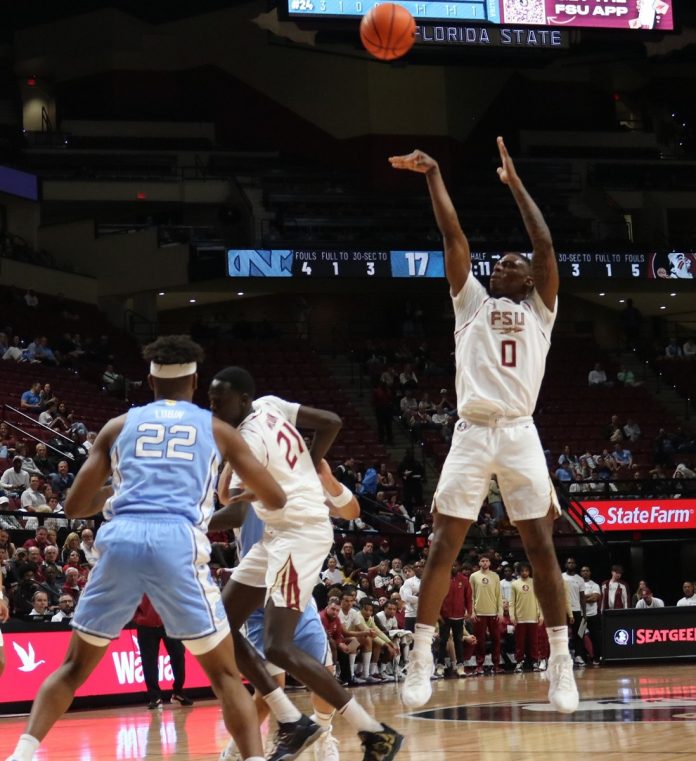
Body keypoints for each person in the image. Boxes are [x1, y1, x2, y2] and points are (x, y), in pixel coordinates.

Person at [3, 335, 287, 761]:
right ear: (194, 382)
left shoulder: (119, 426)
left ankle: (22, 753)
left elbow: (77, 505)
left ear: (150, 384)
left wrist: (121, 487)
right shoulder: (217, 429)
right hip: (176, 540)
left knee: (73, 668)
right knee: (226, 675)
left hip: (122, 537)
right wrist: (227, 494)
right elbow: (275, 498)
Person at [389, 138, 578, 712]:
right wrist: (434, 175)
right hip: (472, 430)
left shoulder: (539, 310)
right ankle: (421, 654)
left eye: (511, 265)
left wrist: (515, 185)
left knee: (540, 545)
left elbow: (544, 245)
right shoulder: (470, 301)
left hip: (519, 431)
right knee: (445, 542)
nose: (502, 266)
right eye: (499, 263)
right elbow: (454, 237)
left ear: (528, 280)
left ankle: (561, 661)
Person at [207, 367, 404, 761]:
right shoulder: (271, 404)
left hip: (298, 533)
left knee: (277, 646)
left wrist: (233, 461)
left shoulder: (247, 436)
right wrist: (306, 466)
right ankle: (293, 720)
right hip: (276, 535)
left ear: (243, 399)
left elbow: (228, 497)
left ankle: (374, 732)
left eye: (219, 399)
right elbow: (331, 422)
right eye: (210, 399)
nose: (212, 406)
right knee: (218, 627)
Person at [134, 595, 193, 709]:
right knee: (149, 662)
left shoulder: (169, 577)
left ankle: (178, 692)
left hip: (170, 623)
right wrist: (138, 617)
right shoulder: (137, 578)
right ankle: (154, 697)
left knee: (178, 656)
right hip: (145, 625)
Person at [510, 563, 542, 672]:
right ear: (519, 572)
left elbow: (539, 600)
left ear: (529, 571)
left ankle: (534, 662)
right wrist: (512, 615)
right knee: (520, 642)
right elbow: (512, 602)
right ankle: (519, 663)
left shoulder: (534, 582)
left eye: (527, 570)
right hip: (520, 618)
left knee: (534, 642)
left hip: (532, 617)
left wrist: (541, 615)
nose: (525, 572)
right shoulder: (514, 584)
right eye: (522, 570)